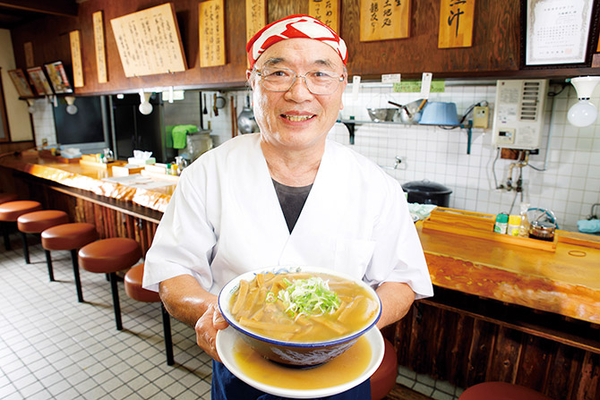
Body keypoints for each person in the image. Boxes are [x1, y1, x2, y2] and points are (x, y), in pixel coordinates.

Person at [144, 14, 433, 400]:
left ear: (342, 85)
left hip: (340, 370)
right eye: (278, 73)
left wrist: (347, 327)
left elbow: (402, 279)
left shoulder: (377, 186)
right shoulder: (207, 173)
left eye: (320, 74)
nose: (299, 93)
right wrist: (209, 310)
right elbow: (173, 271)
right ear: (252, 81)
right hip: (241, 362)